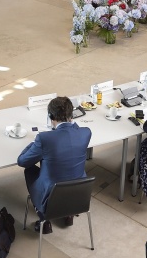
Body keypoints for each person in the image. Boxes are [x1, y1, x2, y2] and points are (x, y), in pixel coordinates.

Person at [17, 97, 92, 234]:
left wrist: (34, 143)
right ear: (72, 115)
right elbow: (73, 133)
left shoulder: (44, 139)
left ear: (51, 116)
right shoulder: (86, 133)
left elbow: (22, 161)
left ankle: (43, 219)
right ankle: (69, 215)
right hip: (79, 196)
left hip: (51, 197)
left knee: (30, 170)